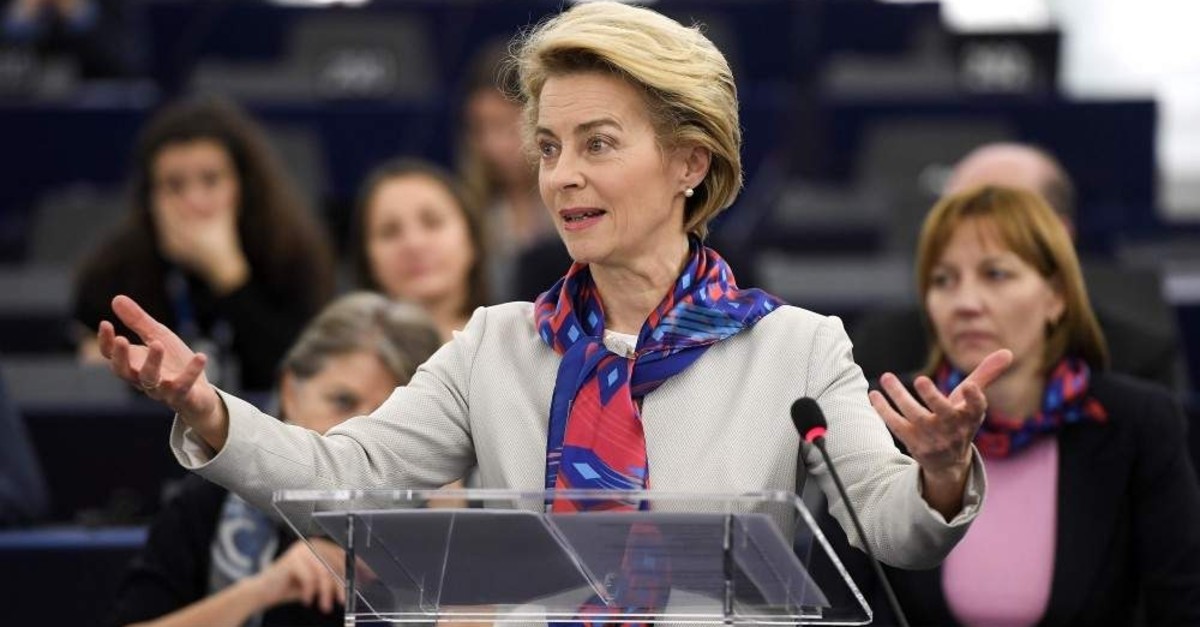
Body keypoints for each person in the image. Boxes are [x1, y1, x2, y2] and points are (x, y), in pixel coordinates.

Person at [97, 1, 1012, 597]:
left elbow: (893, 527)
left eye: (597, 143)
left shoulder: (797, 349)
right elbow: (343, 476)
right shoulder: (494, 345)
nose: (562, 175)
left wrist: (938, 473)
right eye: (548, 147)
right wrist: (208, 409)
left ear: (689, 162)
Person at [857, 185, 1200, 625]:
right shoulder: (887, 418)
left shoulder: (1138, 422)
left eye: (996, 274)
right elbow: (839, 601)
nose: (965, 303)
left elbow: (1182, 608)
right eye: (943, 280)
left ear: (1056, 297)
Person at [107, 292, 444, 627]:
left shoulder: (449, 511)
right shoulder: (212, 499)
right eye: (342, 402)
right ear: (290, 392)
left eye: (389, 415)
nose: (360, 431)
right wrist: (263, 590)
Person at [851, 142, 1184, 393]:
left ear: (1058, 239)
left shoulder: (1135, 368)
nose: (967, 302)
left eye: (995, 273)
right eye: (956, 213)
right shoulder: (885, 354)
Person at [73, 97, 335, 391]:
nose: (194, 201)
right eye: (175, 185)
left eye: (211, 181)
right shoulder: (112, 272)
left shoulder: (292, 255)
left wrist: (230, 276)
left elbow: (301, 380)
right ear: (151, 197)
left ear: (243, 185)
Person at [458, 40, 571, 302]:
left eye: (506, 126)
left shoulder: (576, 196)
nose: (492, 145)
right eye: (480, 128)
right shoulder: (469, 210)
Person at [350, 158, 489, 342]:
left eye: (432, 222)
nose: (414, 244)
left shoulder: (518, 340)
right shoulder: (344, 356)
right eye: (390, 231)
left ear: (472, 238)